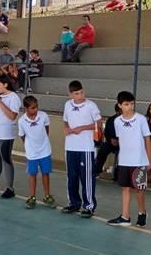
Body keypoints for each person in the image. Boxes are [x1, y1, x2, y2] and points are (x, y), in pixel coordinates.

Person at [107, 91, 151, 228]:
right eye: (126, 104)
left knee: (139, 189)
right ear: (120, 105)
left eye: (132, 103)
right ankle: (125, 216)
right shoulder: (117, 121)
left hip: (139, 161)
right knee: (125, 188)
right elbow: (121, 139)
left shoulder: (141, 119)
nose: (130, 107)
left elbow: (147, 138)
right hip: (124, 161)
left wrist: (148, 159)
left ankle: (142, 212)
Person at [60, 80, 102, 218]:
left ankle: (89, 205)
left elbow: (99, 124)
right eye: (76, 93)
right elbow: (65, 119)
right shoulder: (67, 105)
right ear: (70, 95)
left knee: (87, 178)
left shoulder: (91, 106)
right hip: (71, 146)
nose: (80, 95)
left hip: (86, 147)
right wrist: (66, 127)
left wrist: (82, 128)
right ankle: (74, 202)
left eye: (81, 92)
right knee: (71, 176)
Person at [19, 96, 56, 209]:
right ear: (26, 108)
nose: (35, 110)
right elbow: (22, 136)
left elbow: (46, 130)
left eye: (36, 107)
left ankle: (47, 195)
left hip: (45, 150)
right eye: (32, 108)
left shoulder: (43, 116)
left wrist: (42, 143)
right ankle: (32, 197)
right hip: (32, 153)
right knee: (32, 174)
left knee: (46, 173)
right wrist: (30, 146)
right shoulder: (22, 121)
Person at [94, 104, 121, 179]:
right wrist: (111, 140)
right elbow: (106, 132)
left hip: (122, 143)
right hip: (110, 142)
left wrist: (119, 140)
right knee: (102, 151)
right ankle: (96, 171)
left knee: (122, 155)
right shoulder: (111, 119)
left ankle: (117, 175)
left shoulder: (127, 120)